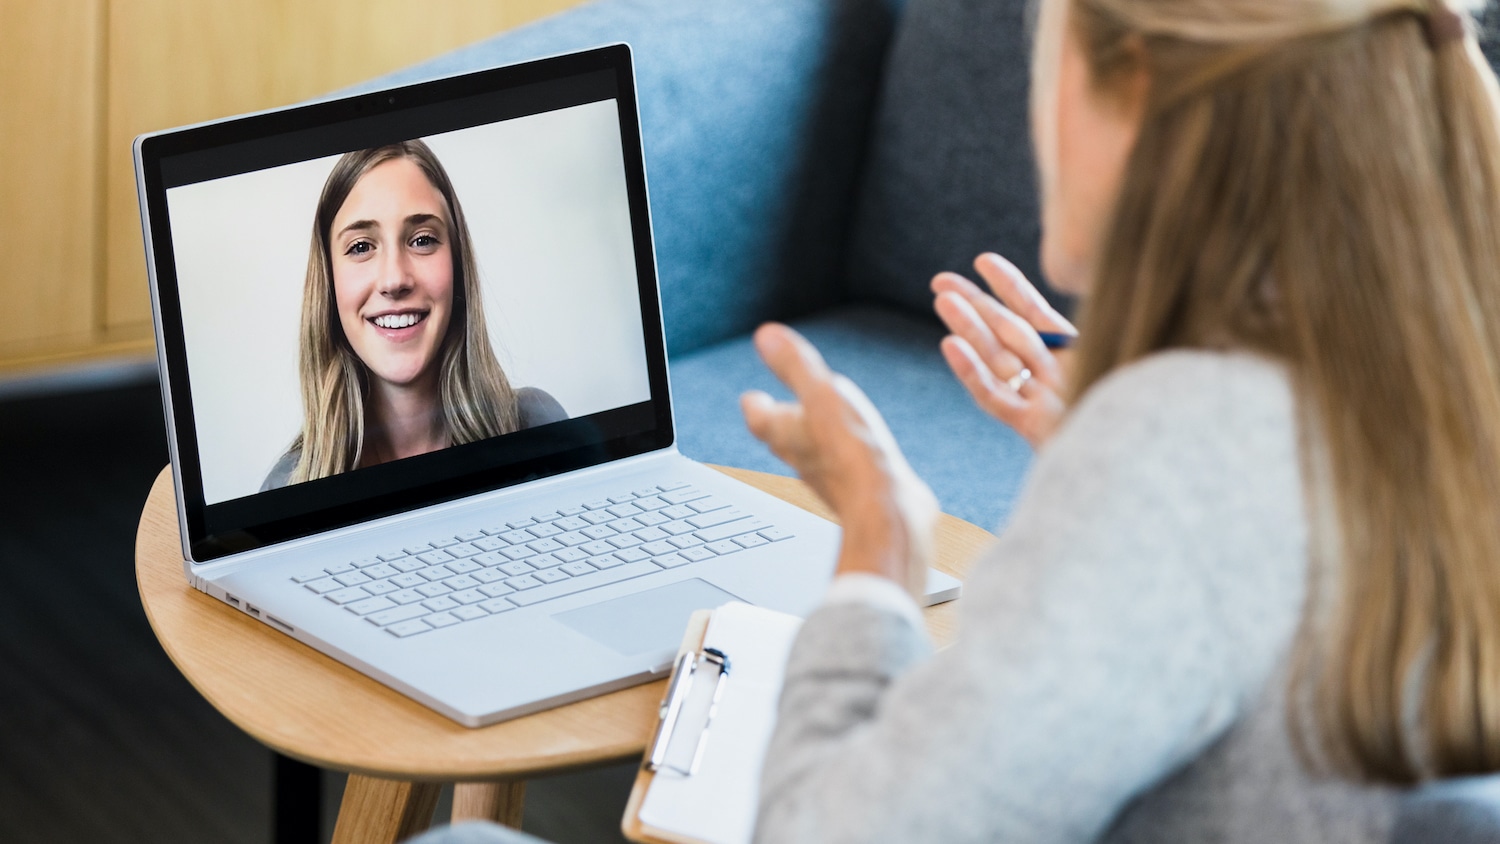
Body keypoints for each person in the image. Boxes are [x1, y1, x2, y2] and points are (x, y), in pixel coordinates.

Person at [740, 0, 1500, 841]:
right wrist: (1108, 479)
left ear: (1133, 88)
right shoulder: (1437, 372)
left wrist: (879, 542)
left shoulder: (1182, 449)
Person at [262, 140, 566, 491]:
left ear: (457, 265)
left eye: (422, 240)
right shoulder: (286, 488)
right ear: (328, 282)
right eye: (361, 247)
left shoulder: (537, 426)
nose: (394, 280)